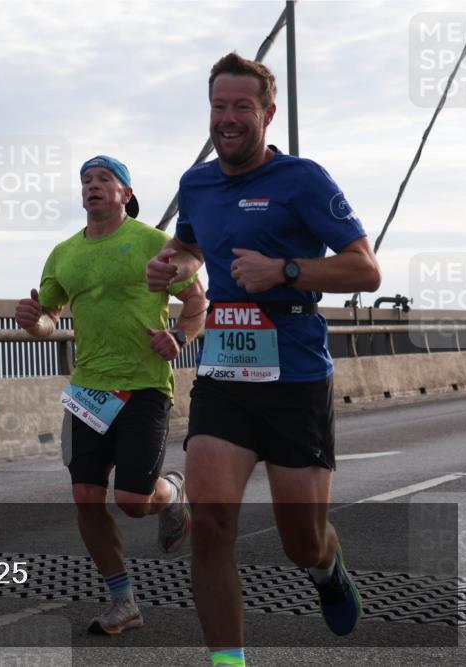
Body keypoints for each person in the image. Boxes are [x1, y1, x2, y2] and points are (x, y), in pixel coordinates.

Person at [147, 53, 381, 667]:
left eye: (241, 107)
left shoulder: (304, 179)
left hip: (296, 373)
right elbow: (192, 245)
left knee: (301, 540)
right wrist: (174, 264)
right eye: (219, 106)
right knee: (213, 527)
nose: (228, 118)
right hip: (225, 372)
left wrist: (286, 270)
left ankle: (326, 569)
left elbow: (365, 266)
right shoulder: (195, 182)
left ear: (267, 113)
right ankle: (229, 662)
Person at [15, 155, 208, 635]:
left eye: (104, 180)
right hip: (88, 390)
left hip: (143, 386)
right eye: (85, 180)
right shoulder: (63, 254)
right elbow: (49, 319)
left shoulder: (154, 243)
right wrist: (33, 320)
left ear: (126, 192)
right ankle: (123, 600)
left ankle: (171, 494)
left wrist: (180, 339)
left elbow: (198, 303)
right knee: (85, 496)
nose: (92, 187)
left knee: (132, 500)